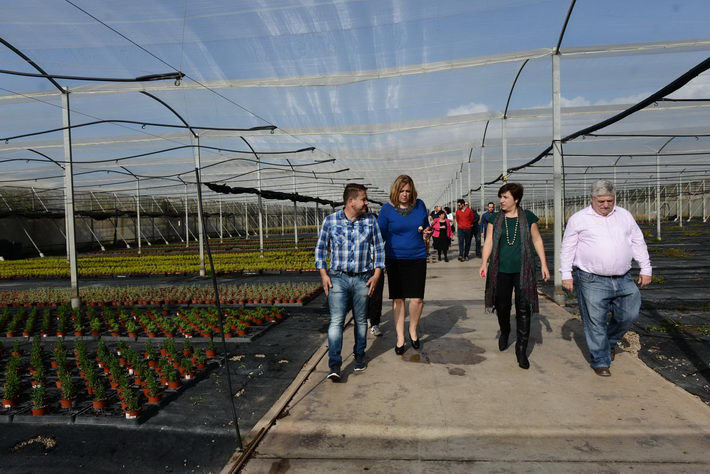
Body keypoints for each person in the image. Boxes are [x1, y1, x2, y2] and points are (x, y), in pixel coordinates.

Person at [561, 180, 652, 377]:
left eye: (610, 201)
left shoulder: (624, 215)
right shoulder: (579, 219)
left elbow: (638, 241)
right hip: (591, 279)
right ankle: (601, 361)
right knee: (595, 321)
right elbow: (568, 247)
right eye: (601, 201)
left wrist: (646, 268)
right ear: (592, 199)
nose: (606, 205)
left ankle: (608, 342)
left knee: (629, 314)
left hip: (623, 278)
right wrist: (566, 274)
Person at [315, 183, 385, 382]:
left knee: (361, 320)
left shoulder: (370, 221)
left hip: (363, 278)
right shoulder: (331, 221)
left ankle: (359, 355)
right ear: (351, 201)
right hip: (338, 278)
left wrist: (377, 274)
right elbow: (320, 249)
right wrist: (323, 274)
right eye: (363, 199)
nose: (366, 202)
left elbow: (379, 249)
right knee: (336, 321)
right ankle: (334, 364)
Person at [479, 183, 550, 370]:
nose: (501, 201)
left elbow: (537, 240)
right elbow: (489, 241)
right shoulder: (495, 219)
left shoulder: (528, 218)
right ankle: (505, 331)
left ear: (516, 199)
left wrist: (543, 264)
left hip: (523, 270)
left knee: (523, 307)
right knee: (502, 305)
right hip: (500, 269)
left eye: (505, 197)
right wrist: (484, 262)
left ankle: (521, 349)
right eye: (500, 197)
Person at [377, 175, 432, 355]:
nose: (405, 194)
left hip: (417, 256)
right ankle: (400, 337)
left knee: (417, 298)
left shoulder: (420, 205)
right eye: (401, 191)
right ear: (396, 191)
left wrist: (427, 233)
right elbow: (380, 235)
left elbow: (426, 227)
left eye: (408, 191)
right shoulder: (386, 210)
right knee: (398, 298)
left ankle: (413, 330)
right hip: (395, 258)